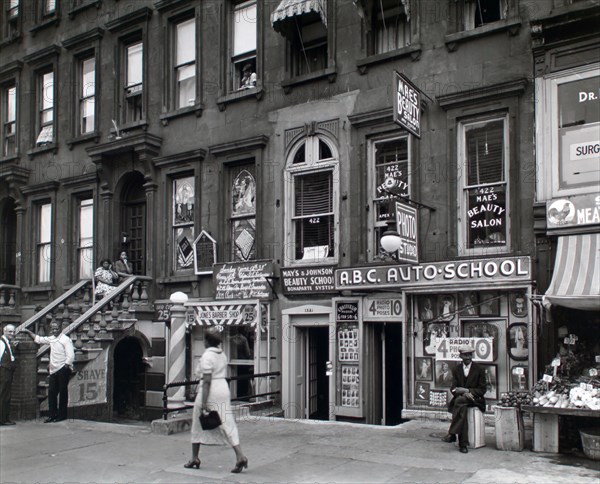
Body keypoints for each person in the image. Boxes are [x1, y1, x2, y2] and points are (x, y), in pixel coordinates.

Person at [185, 329, 248, 473]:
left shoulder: (207, 356)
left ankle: (195, 457)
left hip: (211, 389)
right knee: (227, 421)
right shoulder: (222, 354)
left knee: (197, 421)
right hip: (223, 388)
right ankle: (240, 455)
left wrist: (204, 402)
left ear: (206, 341)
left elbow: (206, 381)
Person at [22, 322, 75, 423]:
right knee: (52, 393)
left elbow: (70, 355)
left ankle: (62, 415)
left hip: (63, 369)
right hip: (53, 370)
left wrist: (66, 366)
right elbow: (39, 339)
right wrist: (28, 332)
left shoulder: (66, 340)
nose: (54, 331)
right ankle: (52, 415)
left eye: (56, 329)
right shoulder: (51, 338)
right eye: (53, 329)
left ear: (60, 329)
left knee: (63, 392)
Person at [441, 345, 486, 453]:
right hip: (462, 401)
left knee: (458, 401)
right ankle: (463, 444)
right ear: (460, 356)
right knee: (462, 408)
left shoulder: (479, 369)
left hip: (476, 400)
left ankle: (452, 433)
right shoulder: (456, 369)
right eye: (465, 355)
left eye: (470, 355)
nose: (468, 357)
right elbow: (453, 388)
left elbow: (482, 390)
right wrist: (463, 392)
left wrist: (467, 391)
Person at [0, 324, 17, 426]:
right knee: (3, 395)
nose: (12, 333)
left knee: (5, 395)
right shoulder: (1, 343)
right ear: (4, 331)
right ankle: (2, 419)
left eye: (13, 332)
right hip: (4, 372)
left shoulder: (7, 342)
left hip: (7, 371)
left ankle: (4, 418)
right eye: (10, 331)